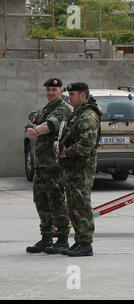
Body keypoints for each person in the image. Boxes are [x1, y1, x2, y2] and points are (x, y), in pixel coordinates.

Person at [25, 78, 72, 254]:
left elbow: (50, 125)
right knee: (41, 201)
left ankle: (62, 239)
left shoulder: (64, 109)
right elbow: (28, 127)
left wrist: (36, 129)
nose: (51, 93)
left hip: (54, 165)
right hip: (41, 165)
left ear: (61, 91)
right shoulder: (45, 109)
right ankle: (46, 238)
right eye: (48, 90)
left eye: (54, 89)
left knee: (57, 201)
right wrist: (36, 128)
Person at [57, 82, 102, 257]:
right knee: (74, 206)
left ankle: (86, 243)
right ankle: (79, 241)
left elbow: (86, 145)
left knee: (81, 206)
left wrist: (65, 152)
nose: (70, 97)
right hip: (73, 169)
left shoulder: (88, 116)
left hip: (82, 169)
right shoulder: (78, 114)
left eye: (73, 94)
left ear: (83, 95)